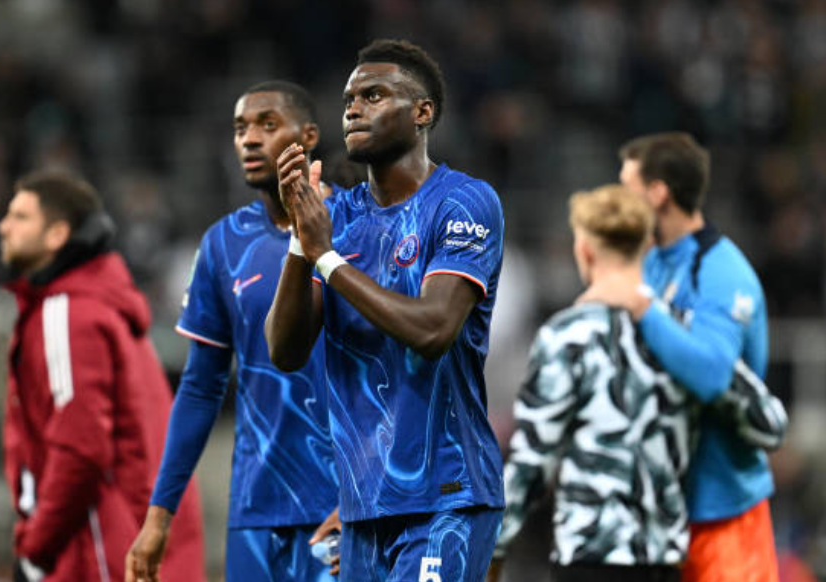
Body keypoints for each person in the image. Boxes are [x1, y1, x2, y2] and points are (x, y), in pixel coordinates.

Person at [266, 39, 505, 582]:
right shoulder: (339, 217)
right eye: (349, 99)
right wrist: (301, 244)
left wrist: (327, 257)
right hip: (363, 506)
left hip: (446, 497)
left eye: (373, 95)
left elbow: (434, 328)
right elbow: (284, 351)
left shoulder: (463, 202)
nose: (353, 108)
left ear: (423, 112)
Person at [125, 81, 339, 582]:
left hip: (343, 505)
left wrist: (372, 497)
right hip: (256, 508)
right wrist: (159, 515)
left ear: (308, 136)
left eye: (269, 124)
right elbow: (201, 387)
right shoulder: (223, 243)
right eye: (241, 128)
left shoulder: (356, 223)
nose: (250, 139)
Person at [583, 132, 779, 582]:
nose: (619, 200)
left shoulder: (723, 273)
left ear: (658, 193)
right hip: (660, 511)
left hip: (723, 511)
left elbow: (712, 375)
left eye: (627, 187)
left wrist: (642, 307)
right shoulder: (651, 261)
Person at [0, 172, 205, 582]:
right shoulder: (102, 307)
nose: (3, 227)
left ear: (57, 234)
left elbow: (80, 450)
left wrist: (35, 551)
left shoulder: (67, 313)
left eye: (20, 217)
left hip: (101, 553)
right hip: (143, 546)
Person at [489, 184, 691, 582]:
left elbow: (532, 460)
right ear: (649, 249)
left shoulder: (565, 336)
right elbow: (767, 422)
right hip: (662, 554)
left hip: (588, 552)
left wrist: (493, 547)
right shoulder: (683, 332)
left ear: (585, 251)